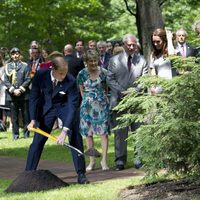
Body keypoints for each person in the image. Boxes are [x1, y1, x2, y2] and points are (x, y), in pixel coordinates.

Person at [25, 51, 89, 184]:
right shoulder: (40, 75)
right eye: (61, 73)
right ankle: (28, 174)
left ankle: (81, 174)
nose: (64, 76)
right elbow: (34, 98)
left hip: (64, 106)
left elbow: (72, 106)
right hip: (47, 108)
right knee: (37, 141)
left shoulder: (70, 80)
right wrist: (33, 119)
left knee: (75, 135)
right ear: (52, 69)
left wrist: (65, 130)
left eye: (65, 72)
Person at [107, 34, 148, 170]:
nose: (131, 47)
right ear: (124, 45)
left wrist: (134, 91)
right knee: (120, 133)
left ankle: (139, 159)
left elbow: (144, 79)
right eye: (129, 45)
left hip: (137, 100)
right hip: (119, 100)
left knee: (139, 131)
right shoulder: (114, 60)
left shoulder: (142, 60)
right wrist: (122, 92)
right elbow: (110, 79)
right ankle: (120, 160)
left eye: (134, 45)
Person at [77, 49, 110, 171]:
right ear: (86, 61)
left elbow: (106, 89)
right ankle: (91, 161)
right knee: (88, 135)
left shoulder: (104, 73)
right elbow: (81, 91)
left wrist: (100, 99)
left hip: (102, 106)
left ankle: (104, 161)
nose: (93, 63)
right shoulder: (81, 74)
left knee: (103, 134)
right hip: (87, 107)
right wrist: (87, 102)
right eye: (90, 61)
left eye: (95, 60)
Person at [4, 48, 31, 140]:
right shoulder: (7, 66)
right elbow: (5, 80)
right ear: (11, 56)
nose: (15, 56)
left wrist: (20, 89)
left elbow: (28, 79)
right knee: (14, 117)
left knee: (25, 115)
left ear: (20, 55)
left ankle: (26, 134)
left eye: (17, 54)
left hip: (23, 94)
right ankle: (15, 135)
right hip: (12, 95)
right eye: (13, 54)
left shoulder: (25, 66)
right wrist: (13, 90)